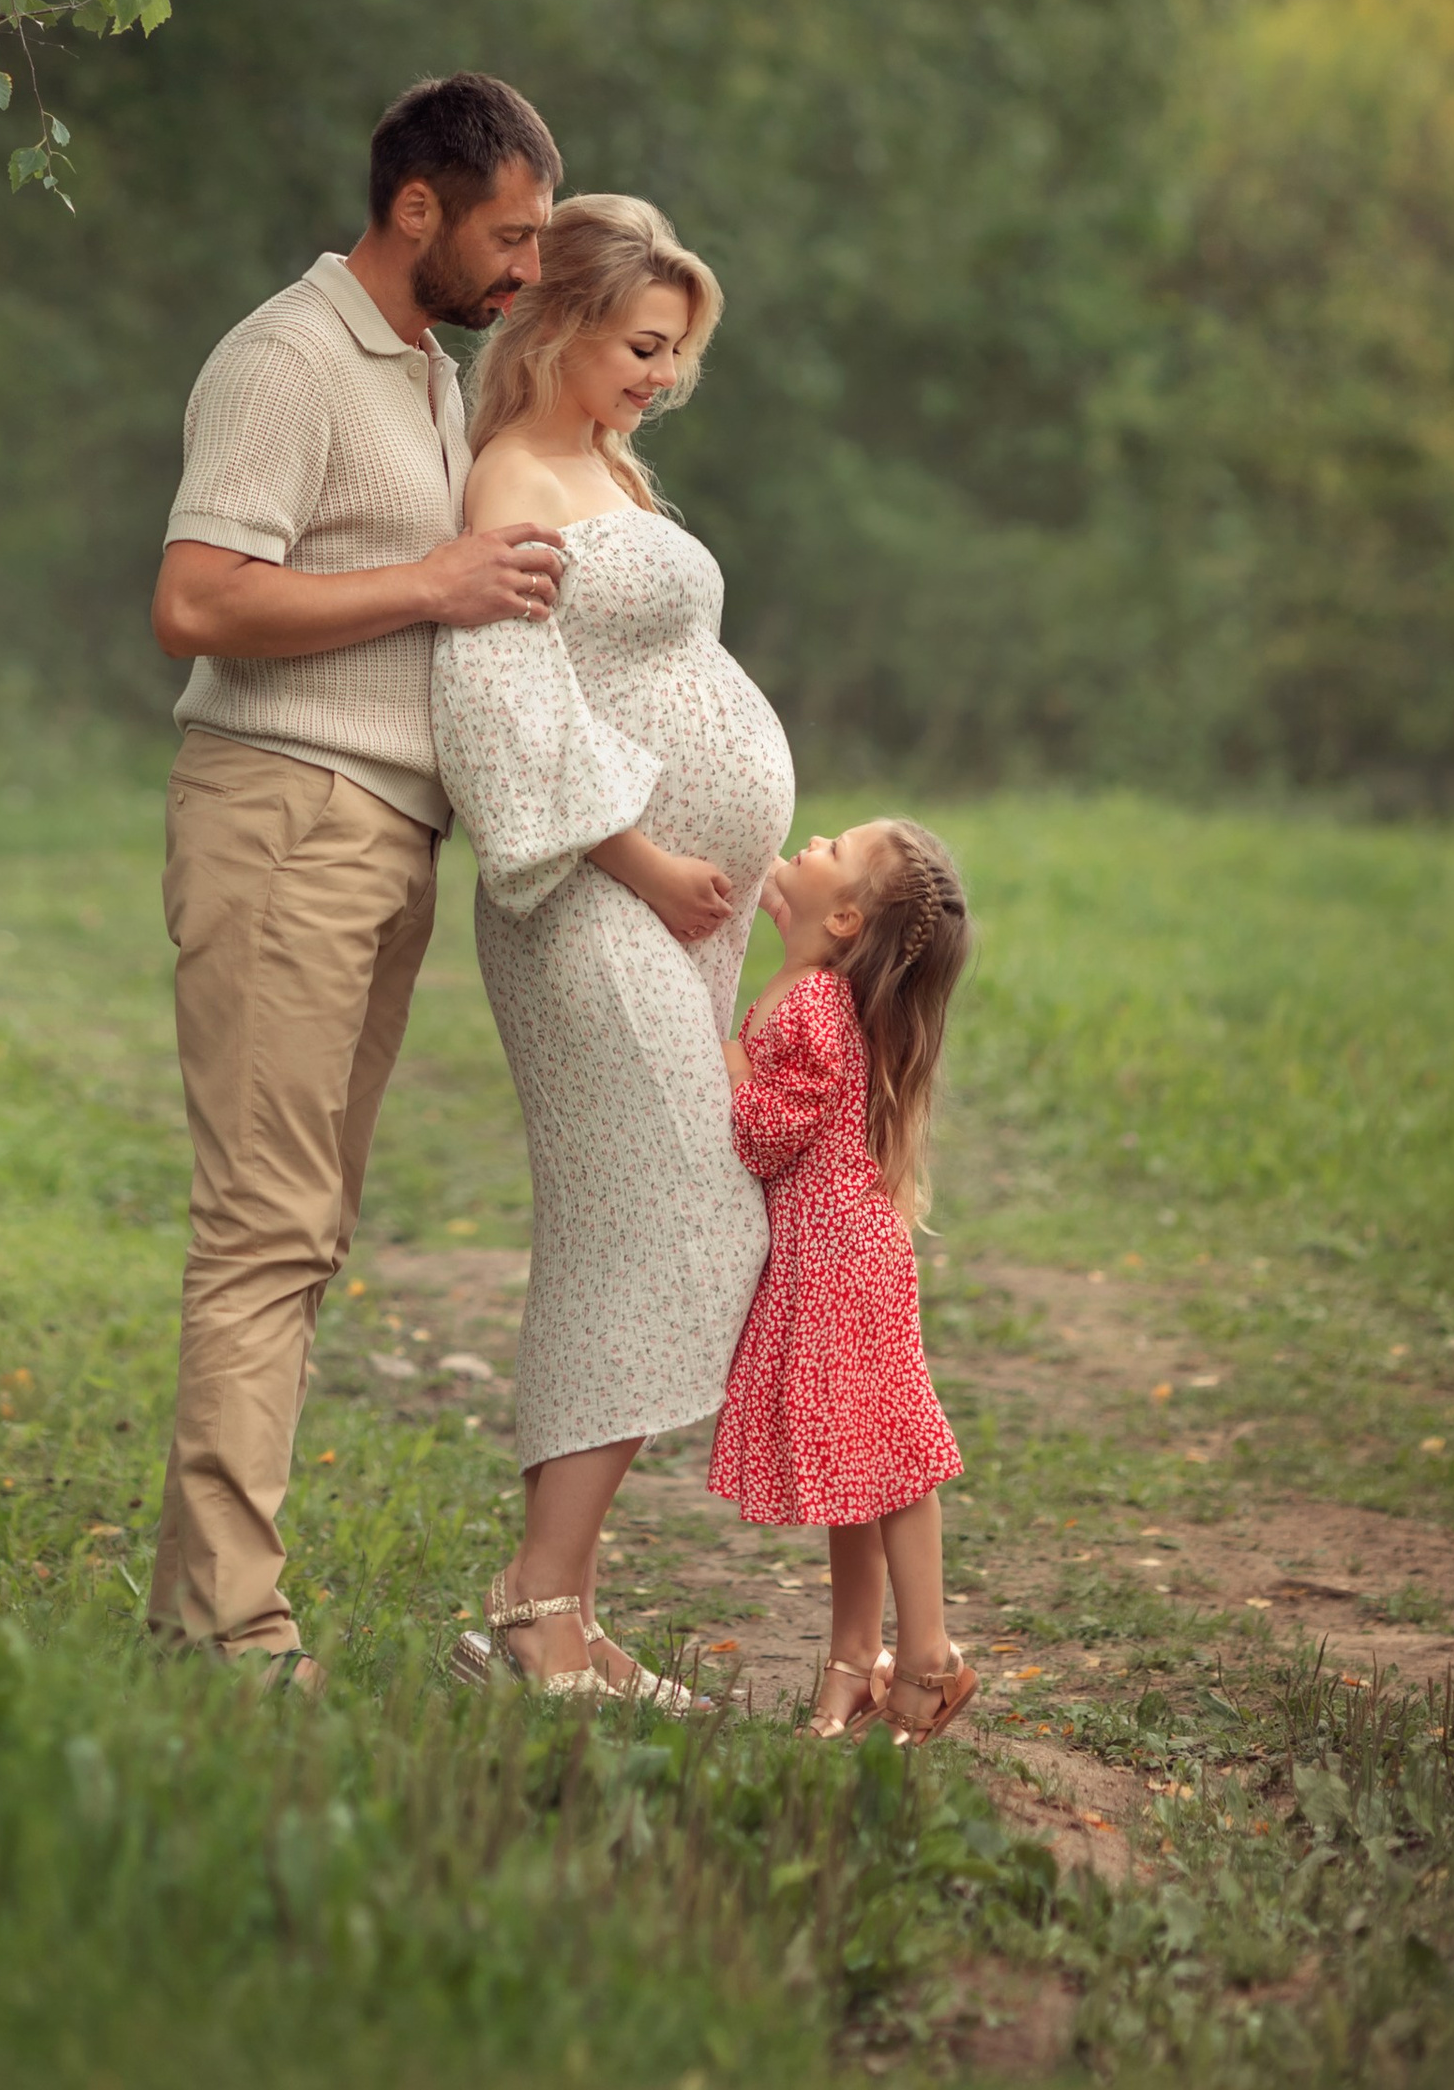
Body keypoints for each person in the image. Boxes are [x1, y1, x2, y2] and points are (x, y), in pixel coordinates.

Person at [145, 70, 568, 1683]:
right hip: (281, 817)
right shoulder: (286, 359)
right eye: (508, 236)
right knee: (263, 1227)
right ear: (417, 209)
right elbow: (196, 600)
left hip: (381, 834)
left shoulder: (420, 372)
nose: (522, 271)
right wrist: (436, 580)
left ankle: (217, 1603)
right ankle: (226, 1632)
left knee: (306, 1229)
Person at [432, 194, 788, 1706]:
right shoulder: (511, 476)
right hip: (583, 901)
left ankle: (556, 1612)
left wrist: (758, 856)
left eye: (675, 353)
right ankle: (534, 1606)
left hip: (669, 917)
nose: (660, 374)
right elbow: (502, 700)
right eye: (643, 344)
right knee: (676, 1211)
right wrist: (643, 855)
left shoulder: (607, 467)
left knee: (650, 1223)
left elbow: (660, 675)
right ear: (562, 320)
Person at [708, 820, 977, 1744]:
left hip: (842, 1264)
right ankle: (854, 1668)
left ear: (847, 917)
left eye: (836, 846)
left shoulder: (815, 1005)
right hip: (827, 1258)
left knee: (889, 1462)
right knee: (854, 1472)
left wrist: (727, 1063)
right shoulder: (809, 986)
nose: (814, 836)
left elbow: (766, 1135)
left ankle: (932, 1656)